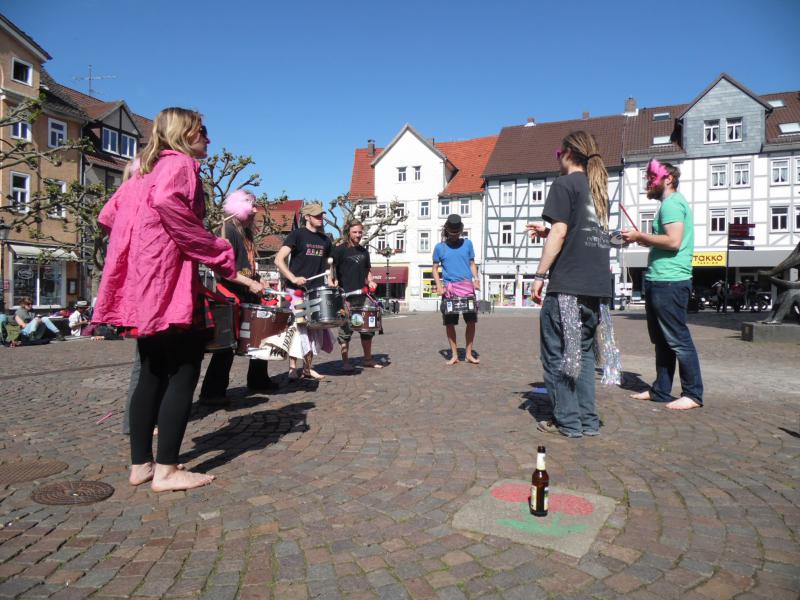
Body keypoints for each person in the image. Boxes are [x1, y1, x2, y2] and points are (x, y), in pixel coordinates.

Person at [93, 107, 248, 492]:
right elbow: (166, 203)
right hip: (169, 282)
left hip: (144, 285)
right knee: (183, 372)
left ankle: (140, 466)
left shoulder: (142, 170)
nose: (208, 139)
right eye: (202, 131)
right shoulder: (179, 164)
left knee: (150, 373)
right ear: (184, 134)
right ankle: (166, 471)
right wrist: (212, 248)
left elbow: (109, 215)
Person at [527, 131, 611, 438]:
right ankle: (588, 422)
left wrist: (539, 275)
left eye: (557, 153)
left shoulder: (563, 184)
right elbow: (578, 232)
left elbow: (561, 233)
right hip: (595, 289)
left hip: (566, 288)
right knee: (585, 356)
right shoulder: (598, 189)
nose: (557, 159)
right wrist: (547, 230)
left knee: (557, 355)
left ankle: (567, 421)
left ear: (568, 153)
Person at [621, 159, 703, 410]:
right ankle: (661, 390)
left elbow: (674, 241)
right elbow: (666, 240)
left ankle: (692, 394)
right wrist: (647, 240)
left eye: (651, 177)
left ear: (668, 178)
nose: (648, 181)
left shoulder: (672, 204)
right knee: (663, 340)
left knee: (678, 339)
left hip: (670, 281)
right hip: (661, 279)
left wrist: (639, 235)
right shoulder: (669, 205)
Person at [199, 190, 270, 405]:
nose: (256, 210)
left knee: (258, 337)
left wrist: (259, 280)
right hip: (230, 294)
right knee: (226, 346)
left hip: (247, 292)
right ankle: (212, 393)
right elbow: (224, 269)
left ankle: (258, 380)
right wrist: (250, 283)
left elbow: (246, 266)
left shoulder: (246, 233)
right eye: (251, 204)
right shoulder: (228, 229)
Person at [274, 203, 334, 380]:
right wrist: (292, 278)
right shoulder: (297, 234)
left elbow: (329, 264)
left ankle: (307, 368)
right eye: (316, 216)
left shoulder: (325, 240)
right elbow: (279, 260)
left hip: (315, 292)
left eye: (321, 215)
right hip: (296, 291)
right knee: (296, 328)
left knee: (313, 330)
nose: (320, 218)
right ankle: (292, 367)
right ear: (307, 217)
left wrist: (330, 279)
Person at [331, 220, 381, 372]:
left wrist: (371, 281)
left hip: (363, 295)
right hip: (346, 296)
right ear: (348, 232)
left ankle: (367, 359)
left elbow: (367, 272)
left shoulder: (364, 252)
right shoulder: (339, 250)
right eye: (355, 232)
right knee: (346, 330)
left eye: (360, 232)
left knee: (367, 328)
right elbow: (330, 267)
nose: (358, 235)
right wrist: (333, 280)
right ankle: (346, 362)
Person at [432, 214, 480, 365]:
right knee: (450, 323)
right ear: (447, 231)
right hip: (449, 290)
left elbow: (472, 263)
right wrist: (439, 286)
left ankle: (468, 354)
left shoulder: (468, 244)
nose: (455, 235)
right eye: (452, 233)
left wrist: (476, 279)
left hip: (467, 288)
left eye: (457, 233)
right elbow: (434, 268)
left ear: (461, 231)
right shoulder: (440, 247)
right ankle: (453, 355)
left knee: (471, 321)